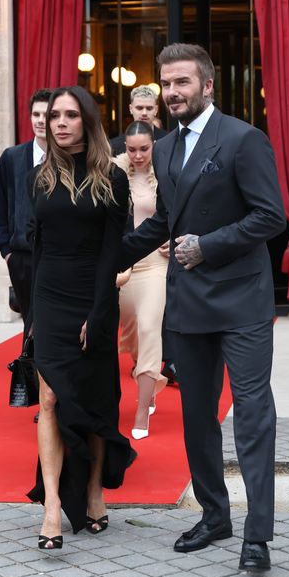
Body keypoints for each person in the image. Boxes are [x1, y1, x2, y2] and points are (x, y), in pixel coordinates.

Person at [121, 43, 286, 570]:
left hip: (242, 300)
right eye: (166, 84)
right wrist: (103, 259)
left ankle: (257, 534)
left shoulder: (243, 138)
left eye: (182, 83)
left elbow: (270, 216)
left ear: (207, 86)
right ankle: (215, 516)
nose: (172, 93)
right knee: (197, 415)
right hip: (189, 302)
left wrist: (206, 246)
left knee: (253, 415)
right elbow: (161, 224)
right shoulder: (165, 149)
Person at [26, 86, 136, 549]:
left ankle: (93, 490)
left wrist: (99, 310)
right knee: (49, 398)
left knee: (90, 400)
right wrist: (31, 315)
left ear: (87, 121)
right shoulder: (38, 178)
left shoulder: (112, 178)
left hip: (93, 295)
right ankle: (52, 504)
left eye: (71, 115)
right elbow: (35, 248)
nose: (61, 123)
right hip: (49, 296)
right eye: (55, 116)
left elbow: (113, 253)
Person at [114, 121, 169, 440]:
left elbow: (180, 211)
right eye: (131, 149)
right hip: (122, 266)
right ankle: (145, 377)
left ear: (153, 146)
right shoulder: (113, 173)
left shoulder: (165, 173)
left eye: (144, 149)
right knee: (132, 336)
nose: (137, 155)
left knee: (150, 327)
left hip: (155, 265)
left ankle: (141, 409)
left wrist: (174, 238)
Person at [0, 90, 51, 337]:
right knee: (31, 326)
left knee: (50, 323)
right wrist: (7, 253)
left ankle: (45, 373)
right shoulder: (12, 158)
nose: (40, 120)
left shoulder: (69, 160)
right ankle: (32, 373)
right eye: (35, 114)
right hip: (22, 258)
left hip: (58, 257)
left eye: (46, 115)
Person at [108, 84, 168, 155]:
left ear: (156, 110)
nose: (144, 113)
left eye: (149, 108)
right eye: (139, 108)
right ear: (130, 109)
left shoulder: (169, 141)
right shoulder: (114, 145)